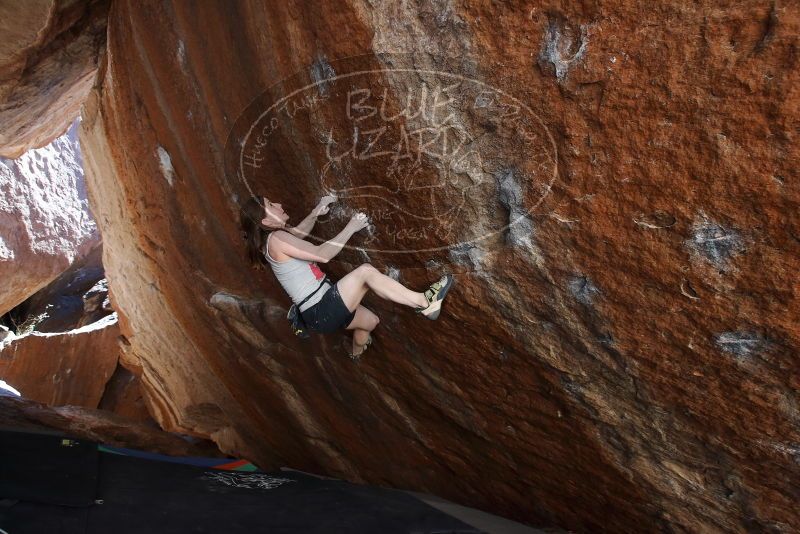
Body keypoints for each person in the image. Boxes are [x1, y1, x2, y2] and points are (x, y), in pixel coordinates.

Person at [240, 195, 454, 357]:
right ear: (266, 222)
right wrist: (351, 227)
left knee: (370, 321)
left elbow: (296, 234)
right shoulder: (276, 239)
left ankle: (356, 353)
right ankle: (425, 303)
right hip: (321, 308)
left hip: (319, 315)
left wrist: (316, 211)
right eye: (271, 205)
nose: (277, 204)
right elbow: (322, 255)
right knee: (365, 273)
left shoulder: (270, 242)